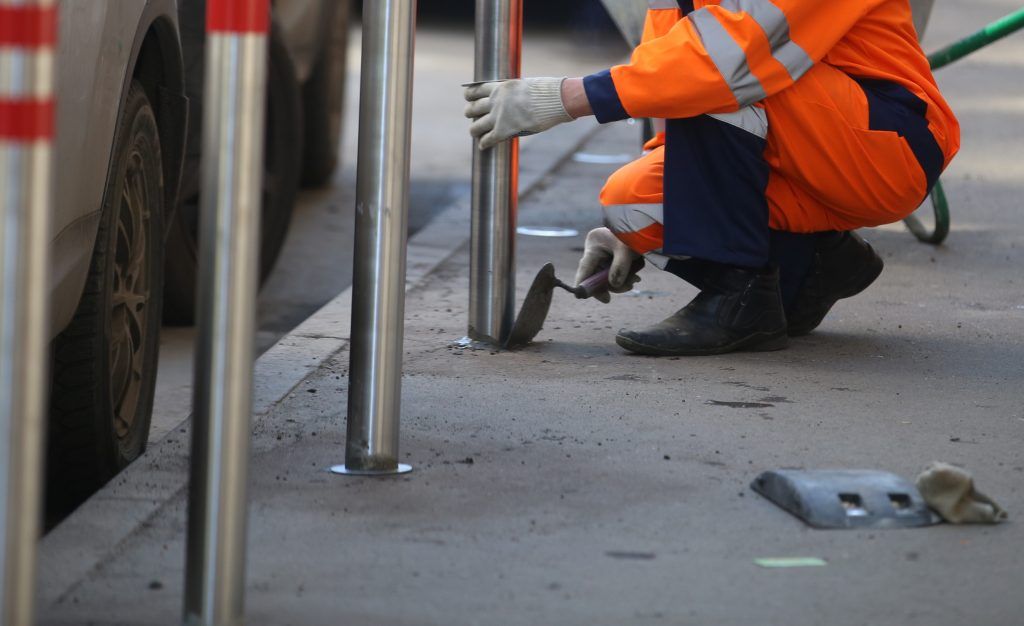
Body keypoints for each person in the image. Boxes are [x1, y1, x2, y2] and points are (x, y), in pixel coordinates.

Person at [463, 0, 959, 356]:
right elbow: (673, 89)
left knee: (716, 78)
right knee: (631, 204)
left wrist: (568, 97)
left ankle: (741, 303)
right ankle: (818, 264)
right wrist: (636, 234)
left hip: (887, 145)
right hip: (808, 146)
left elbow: (731, 62)